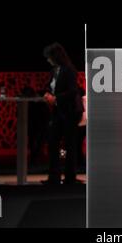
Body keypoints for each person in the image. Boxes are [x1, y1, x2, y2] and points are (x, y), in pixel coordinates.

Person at [42, 42, 84, 185]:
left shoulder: (69, 70)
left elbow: (73, 91)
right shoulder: (54, 70)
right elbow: (50, 86)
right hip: (58, 111)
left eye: (49, 57)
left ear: (56, 56)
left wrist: (56, 98)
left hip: (70, 112)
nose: (48, 60)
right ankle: (54, 176)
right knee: (53, 142)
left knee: (69, 144)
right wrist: (47, 93)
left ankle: (70, 177)